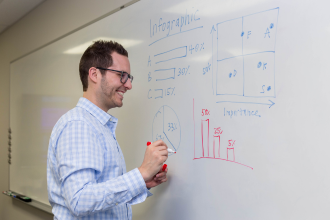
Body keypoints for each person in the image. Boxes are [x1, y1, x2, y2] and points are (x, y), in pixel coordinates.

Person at [47, 40, 169, 220]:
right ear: (95, 74)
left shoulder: (98, 126)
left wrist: (142, 182)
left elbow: (101, 196)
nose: (128, 85)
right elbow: (79, 200)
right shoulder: (79, 125)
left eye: (129, 77)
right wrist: (141, 173)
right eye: (122, 75)